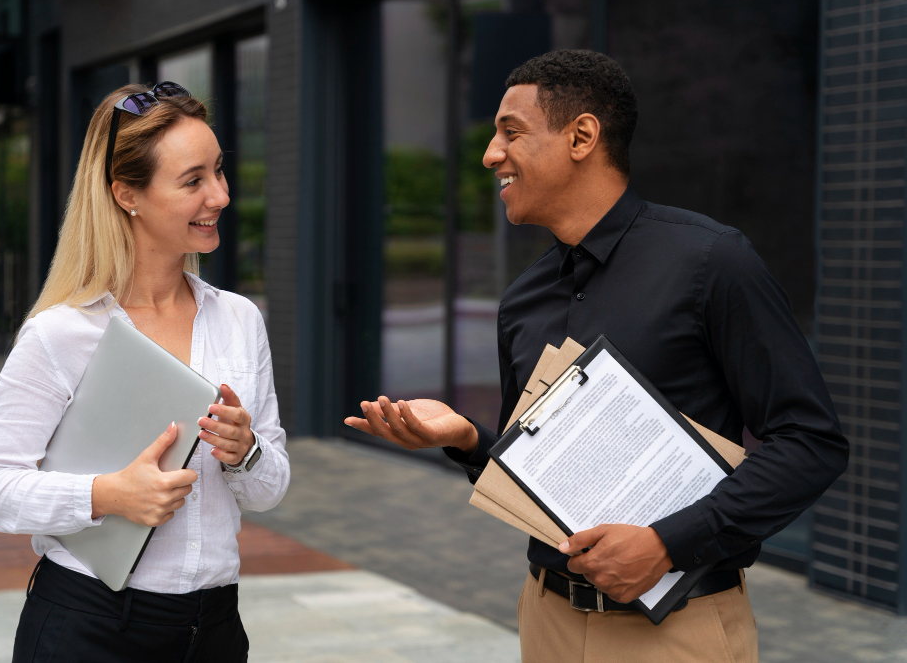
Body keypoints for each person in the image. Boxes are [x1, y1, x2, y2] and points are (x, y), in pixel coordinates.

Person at [346, 50, 849, 662]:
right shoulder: (524, 299)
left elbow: (811, 442)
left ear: (582, 136)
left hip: (677, 634)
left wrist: (669, 543)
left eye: (511, 133)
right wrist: (469, 442)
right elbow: (545, 478)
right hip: (547, 620)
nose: (490, 156)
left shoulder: (712, 263)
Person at [0, 82, 289, 662]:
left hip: (213, 630)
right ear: (126, 194)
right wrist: (106, 494)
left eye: (219, 171)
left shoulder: (240, 320)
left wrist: (247, 452)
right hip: (89, 627)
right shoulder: (62, 333)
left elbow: (268, 490)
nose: (220, 195)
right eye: (193, 181)